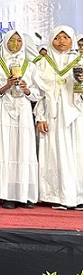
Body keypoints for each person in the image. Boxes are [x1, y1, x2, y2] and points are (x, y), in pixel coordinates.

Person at [0, 31, 41, 209]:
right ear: (5, 43)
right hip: (4, 110)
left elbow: (37, 94)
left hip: (24, 110)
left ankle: (25, 194)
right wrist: (7, 85)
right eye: (12, 40)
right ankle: (8, 194)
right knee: (6, 149)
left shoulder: (30, 67)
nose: (15, 44)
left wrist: (26, 89)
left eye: (19, 41)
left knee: (24, 149)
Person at [34, 26, 83, 210]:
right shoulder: (43, 63)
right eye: (57, 37)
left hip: (76, 114)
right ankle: (56, 195)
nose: (61, 41)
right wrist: (40, 117)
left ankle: (78, 195)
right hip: (52, 115)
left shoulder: (79, 61)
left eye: (65, 37)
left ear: (72, 40)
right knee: (55, 151)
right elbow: (39, 94)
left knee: (77, 152)